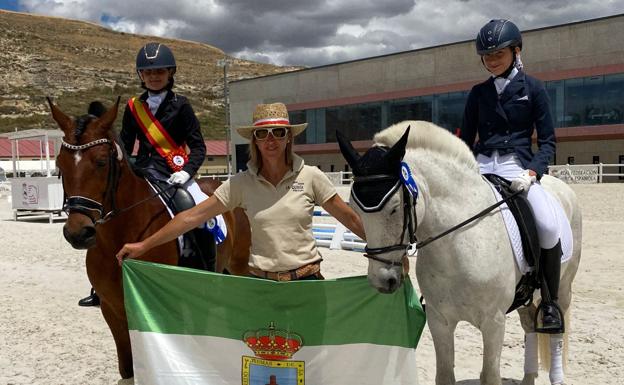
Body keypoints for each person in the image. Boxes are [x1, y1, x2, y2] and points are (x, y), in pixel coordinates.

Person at [116, 102, 365, 281]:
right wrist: (144, 245)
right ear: (254, 140)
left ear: (288, 137)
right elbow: (190, 217)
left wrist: (390, 254)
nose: (271, 140)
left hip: (306, 282)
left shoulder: (311, 176)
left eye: (278, 133)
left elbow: (351, 218)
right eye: (262, 134)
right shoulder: (241, 183)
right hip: (259, 284)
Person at [78, 42, 221, 306]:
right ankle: (101, 285)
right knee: (108, 209)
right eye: (148, 72)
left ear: (170, 73)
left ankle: (205, 269)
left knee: (193, 209)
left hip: (175, 173)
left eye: (160, 72)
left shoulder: (182, 105)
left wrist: (187, 171)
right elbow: (125, 142)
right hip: (143, 170)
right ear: (141, 76)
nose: (154, 77)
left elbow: (199, 146)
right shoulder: (134, 107)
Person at [460, 19, 563, 333]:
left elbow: (548, 141)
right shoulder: (478, 93)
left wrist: (533, 172)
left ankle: (549, 303)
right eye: (487, 56)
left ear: (516, 51)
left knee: (546, 224)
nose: (492, 61)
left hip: (517, 166)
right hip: (480, 165)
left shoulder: (534, 89)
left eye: (499, 54)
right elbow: (465, 138)